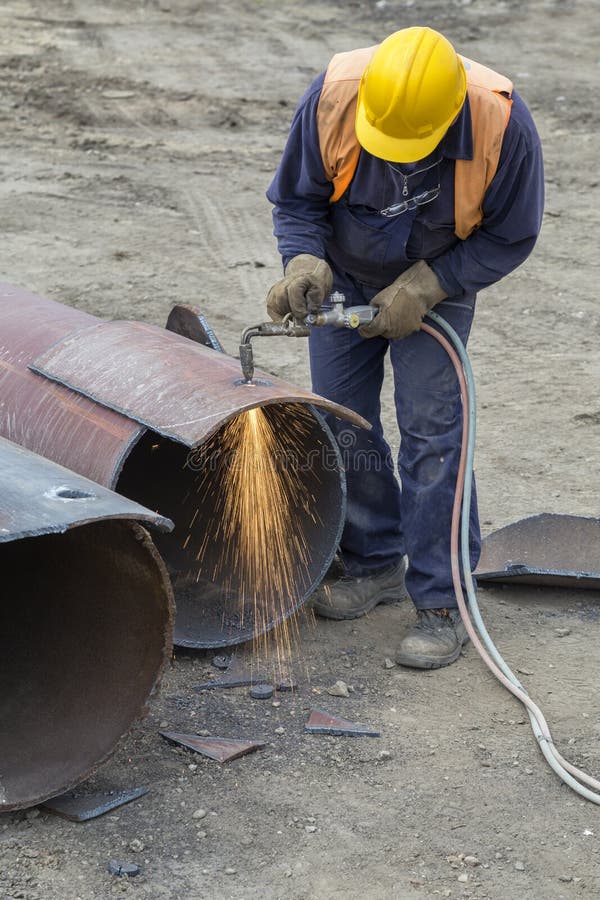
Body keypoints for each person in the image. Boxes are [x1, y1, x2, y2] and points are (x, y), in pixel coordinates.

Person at [265, 27, 544, 668]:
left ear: (450, 117)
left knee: (432, 432)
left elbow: (511, 234)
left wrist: (431, 284)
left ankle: (443, 599)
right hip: (347, 266)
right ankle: (374, 559)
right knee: (340, 422)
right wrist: (304, 258)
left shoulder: (502, 123)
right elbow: (297, 198)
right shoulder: (335, 96)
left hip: (437, 282)